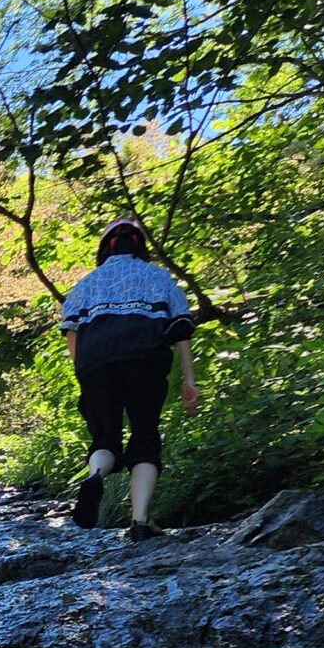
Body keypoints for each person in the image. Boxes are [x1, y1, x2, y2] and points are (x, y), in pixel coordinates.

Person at [59, 217, 200, 539]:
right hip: (145, 358)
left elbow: (71, 332)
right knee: (144, 437)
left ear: (104, 248)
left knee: (105, 438)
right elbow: (181, 331)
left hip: (95, 361)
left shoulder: (87, 283)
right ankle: (139, 521)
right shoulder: (159, 278)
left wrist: (84, 373)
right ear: (140, 245)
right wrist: (189, 381)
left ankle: (95, 475)